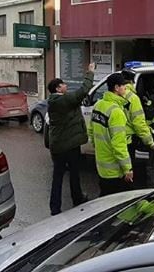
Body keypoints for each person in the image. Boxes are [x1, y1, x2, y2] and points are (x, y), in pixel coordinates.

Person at [47, 63, 95, 216]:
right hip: (67, 146)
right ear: (58, 88)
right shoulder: (61, 101)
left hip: (59, 146)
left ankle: (57, 206)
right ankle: (75, 199)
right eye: (63, 84)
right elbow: (82, 92)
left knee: (59, 176)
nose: (65, 86)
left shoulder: (55, 101)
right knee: (71, 173)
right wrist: (90, 73)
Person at [88, 73, 133, 196]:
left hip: (101, 164)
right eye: (124, 85)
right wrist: (127, 168)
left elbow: (91, 131)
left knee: (104, 196)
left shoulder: (98, 105)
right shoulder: (116, 112)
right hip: (114, 168)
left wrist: (98, 147)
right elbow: (119, 144)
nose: (126, 88)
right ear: (117, 88)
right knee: (115, 202)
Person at [120, 69, 154, 177]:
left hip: (114, 137)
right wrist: (149, 141)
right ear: (131, 82)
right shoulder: (133, 98)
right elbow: (138, 123)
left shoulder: (113, 95)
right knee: (129, 166)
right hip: (128, 139)